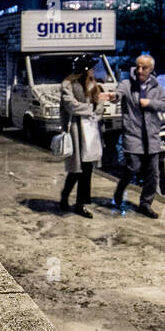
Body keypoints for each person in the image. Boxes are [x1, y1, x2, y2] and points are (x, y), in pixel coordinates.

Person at [110, 54, 165, 218]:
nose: (139, 70)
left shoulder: (156, 88)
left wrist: (150, 103)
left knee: (153, 173)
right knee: (133, 168)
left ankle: (145, 204)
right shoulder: (127, 84)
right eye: (138, 66)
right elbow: (118, 94)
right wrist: (113, 96)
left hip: (151, 137)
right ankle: (120, 189)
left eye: (144, 67)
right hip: (133, 134)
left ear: (151, 70)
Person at [59, 54, 117, 218]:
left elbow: (99, 107)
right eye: (91, 68)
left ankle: (81, 204)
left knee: (86, 170)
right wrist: (90, 108)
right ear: (84, 70)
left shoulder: (94, 86)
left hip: (91, 132)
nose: (93, 71)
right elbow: (71, 106)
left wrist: (90, 109)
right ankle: (65, 197)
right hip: (77, 132)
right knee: (76, 170)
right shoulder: (67, 85)